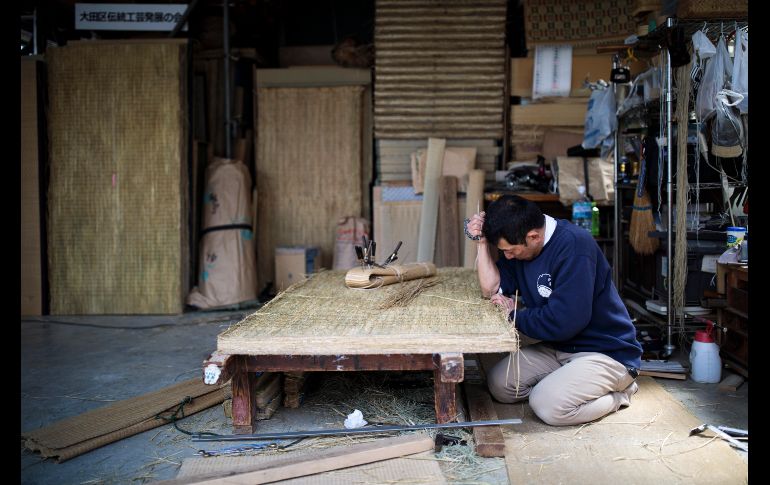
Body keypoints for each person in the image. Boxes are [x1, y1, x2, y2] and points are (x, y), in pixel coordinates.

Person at [465, 195, 642, 426]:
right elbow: (491, 288)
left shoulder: (575, 246)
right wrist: (480, 242)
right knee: (501, 386)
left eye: (511, 251)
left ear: (534, 237)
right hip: (560, 346)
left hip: (604, 352)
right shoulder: (521, 243)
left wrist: (513, 316)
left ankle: (621, 394)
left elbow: (564, 321)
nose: (507, 257)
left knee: (548, 406)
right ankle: (566, 384)